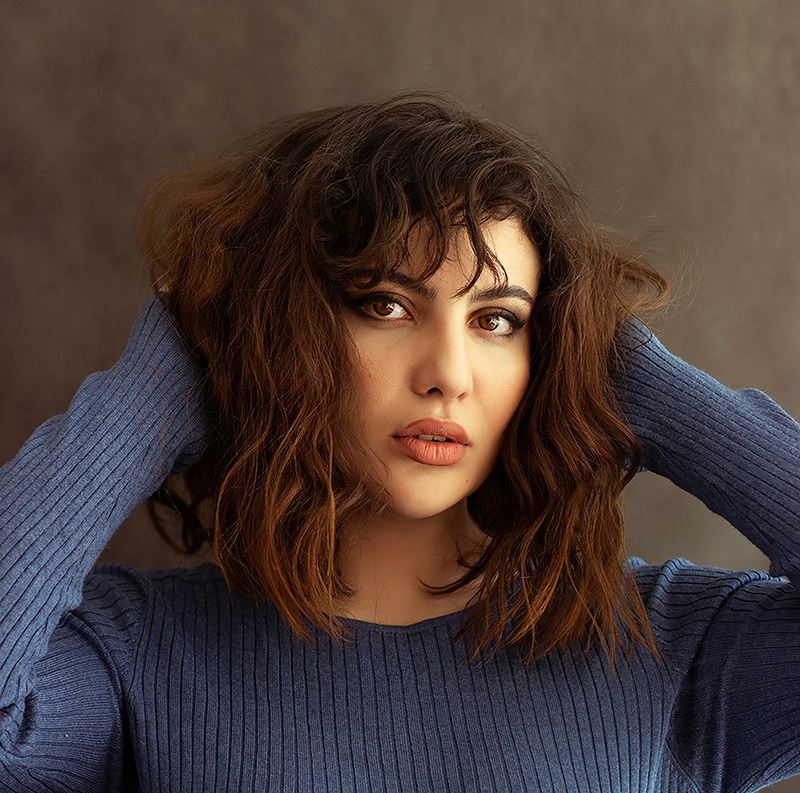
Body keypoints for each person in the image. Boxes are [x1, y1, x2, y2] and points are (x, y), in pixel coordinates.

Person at [0, 92, 797, 792]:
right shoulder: (136, 656)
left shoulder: (667, 645)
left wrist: (638, 384)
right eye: (385, 305)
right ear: (283, 336)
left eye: (497, 321)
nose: (449, 373)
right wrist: (162, 386)